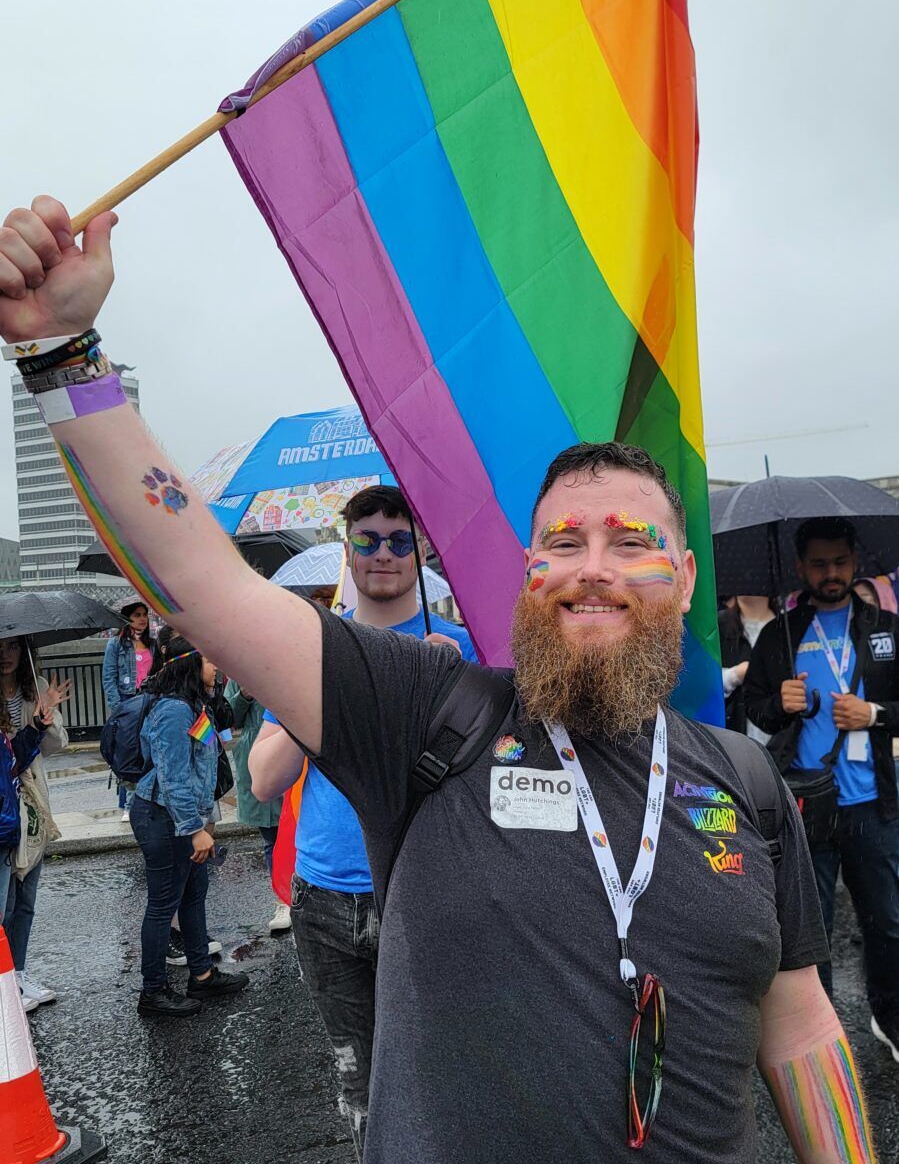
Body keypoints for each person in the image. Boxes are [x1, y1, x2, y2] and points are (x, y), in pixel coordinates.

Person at [0, 196, 879, 1161]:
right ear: (528, 574)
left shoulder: (743, 786)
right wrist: (63, 352)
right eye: (561, 541)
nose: (592, 564)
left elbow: (797, 1024)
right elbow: (201, 582)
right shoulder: (427, 713)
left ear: (680, 581)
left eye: (631, 543)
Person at [256, 483, 476, 1159]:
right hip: (323, 898)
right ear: (346, 550)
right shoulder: (312, 650)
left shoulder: (459, 649)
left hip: (424, 890)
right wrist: (318, 686)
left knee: (440, 1073)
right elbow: (266, 779)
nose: (382, 554)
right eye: (367, 541)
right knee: (358, 1081)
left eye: (398, 540)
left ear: (420, 550)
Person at [745, 517, 899, 1066]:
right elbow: (752, 709)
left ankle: (889, 1018)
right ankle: (824, 1037)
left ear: (853, 562)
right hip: (805, 807)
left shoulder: (885, 629)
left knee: (888, 921)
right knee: (813, 935)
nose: (829, 573)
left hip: (873, 805)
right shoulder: (780, 635)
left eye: (839, 562)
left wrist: (876, 713)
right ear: (800, 567)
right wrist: (779, 704)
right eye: (818, 563)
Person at [128, 630, 249, 1016]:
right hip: (162, 818)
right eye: (211, 661)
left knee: (194, 893)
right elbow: (172, 776)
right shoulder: (173, 711)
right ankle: (153, 991)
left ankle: (202, 976)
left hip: (183, 818)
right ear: (192, 665)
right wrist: (194, 828)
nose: (218, 668)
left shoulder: (194, 704)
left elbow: (205, 760)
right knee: (163, 905)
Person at [0, 635, 69, 1011]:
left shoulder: (37, 688)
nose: (6, 655)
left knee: (26, 900)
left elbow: (57, 743)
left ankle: (19, 973)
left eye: (13, 647)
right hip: (3, 806)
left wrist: (46, 717)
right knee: (5, 902)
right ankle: (6, 978)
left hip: (33, 803)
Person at [224, 678, 287, 932]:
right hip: (257, 756)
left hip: (292, 751)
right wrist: (244, 695)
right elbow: (229, 718)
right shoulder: (239, 670)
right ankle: (282, 898)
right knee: (271, 837)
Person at [102, 600, 156, 819]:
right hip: (128, 702)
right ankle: (126, 804)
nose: (142, 618)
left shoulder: (152, 644)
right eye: (136, 615)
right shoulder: (116, 644)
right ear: (126, 618)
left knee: (149, 749)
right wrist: (118, 709)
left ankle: (146, 798)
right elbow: (109, 678)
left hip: (150, 702)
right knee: (128, 752)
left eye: (144, 614)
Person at [718, 596, 775, 741]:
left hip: (777, 740)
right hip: (732, 734)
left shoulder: (787, 626)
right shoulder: (718, 624)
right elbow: (701, 684)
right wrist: (735, 675)